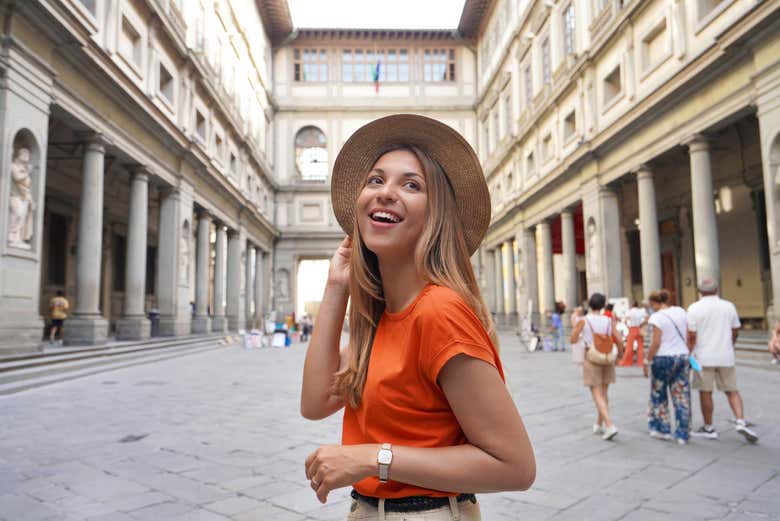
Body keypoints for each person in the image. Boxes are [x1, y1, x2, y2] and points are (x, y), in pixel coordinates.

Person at [300, 115, 535, 520]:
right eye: (375, 180)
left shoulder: (439, 311)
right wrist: (337, 287)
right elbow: (315, 401)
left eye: (411, 185)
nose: (386, 192)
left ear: (436, 216)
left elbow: (515, 466)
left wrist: (374, 458)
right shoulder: (381, 317)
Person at [687, 278, 758, 443]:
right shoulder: (728, 306)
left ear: (699, 291)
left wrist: (689, 354)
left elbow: (691, 335)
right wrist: (730, 344)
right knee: (732, 390)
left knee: (705, 392)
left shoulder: (694, 308)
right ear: (717, 289)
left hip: (702, 357)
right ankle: (740, 420)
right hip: (726, 355)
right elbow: (735, 329)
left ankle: (709, 427)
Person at [570, 293, 624, 441]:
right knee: (604, 393)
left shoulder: (584, 320)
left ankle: (609, 425)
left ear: (589, 304)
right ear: (602, 305)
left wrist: (580, 334)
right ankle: (598, 423)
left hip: (592, 357)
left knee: (596, 393)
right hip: (607, 357)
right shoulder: (608, 320)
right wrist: (620, 355)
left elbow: (573, 339)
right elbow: (619, 339)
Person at [644, 289, 691, 444]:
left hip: (663, 357)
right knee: (681, 395)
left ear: (655, 303)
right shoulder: (681, 311)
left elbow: (656, 342)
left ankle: (662, 429)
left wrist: (647, 360)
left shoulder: (656, 317)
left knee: (659, 394)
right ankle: (683, 433)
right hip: (682, 356)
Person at [618, 301, 648, 366]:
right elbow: (647, 318)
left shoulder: (630, 311)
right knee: (640, 347)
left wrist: (627, 326)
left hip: (632, 329)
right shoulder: (641, 311)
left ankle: (627, 362)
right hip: (639, 328)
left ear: (632, 305)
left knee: (629, 346)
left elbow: (625, 320)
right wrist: (642, 324)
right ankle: (640, 362)